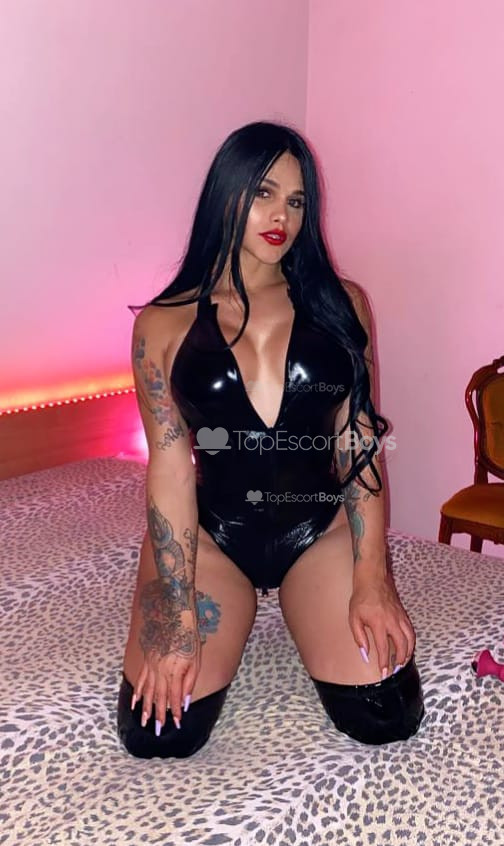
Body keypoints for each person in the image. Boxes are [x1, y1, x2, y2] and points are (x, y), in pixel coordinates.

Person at [117, 121, 424, 759]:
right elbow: (171, 470)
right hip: (214, 539)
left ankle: (304, 600)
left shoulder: (343, 304)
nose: (281, 215)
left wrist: (373, 576)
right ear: (226, 193)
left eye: (296, 199)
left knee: (386, 714)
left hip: (318, 532)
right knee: (160, 733)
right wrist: (176, 609)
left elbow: (357, 442)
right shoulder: (163, 325)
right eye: (263, 192)